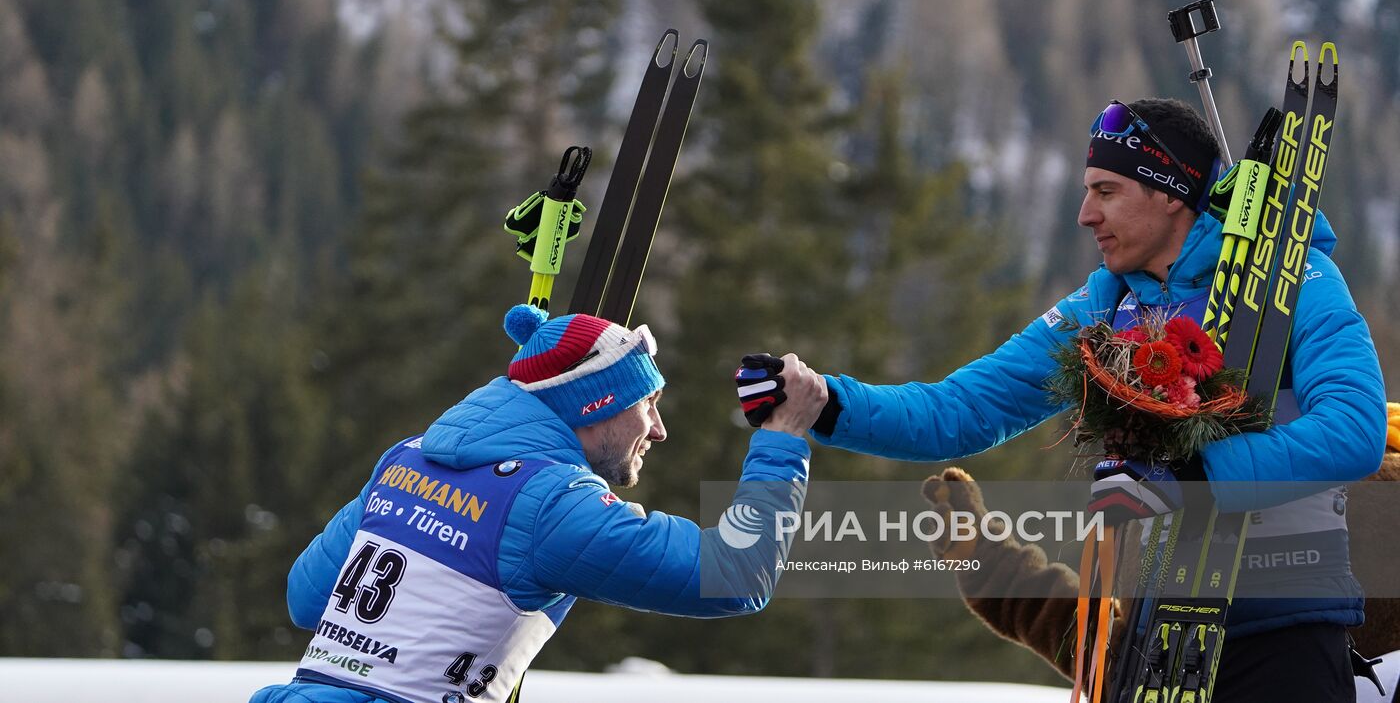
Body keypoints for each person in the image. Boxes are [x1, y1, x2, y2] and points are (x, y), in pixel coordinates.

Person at [764, 99, 1386, 702]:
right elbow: (959, 411)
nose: (1086, 214)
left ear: (1171, 194)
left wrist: (1195, 475)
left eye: (1106, 191)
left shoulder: (1295, 279)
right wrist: (823, 403)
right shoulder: (1104, 306)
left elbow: (1354, 428)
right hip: (1158, 642)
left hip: (1282, 634)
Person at [251, 304, 825, 703]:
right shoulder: (551, 507)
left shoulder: (408, 458)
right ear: (593, 407)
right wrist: (783, 439)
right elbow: (737, 575)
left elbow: (306, 600)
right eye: (647, 403)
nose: (658, 430)